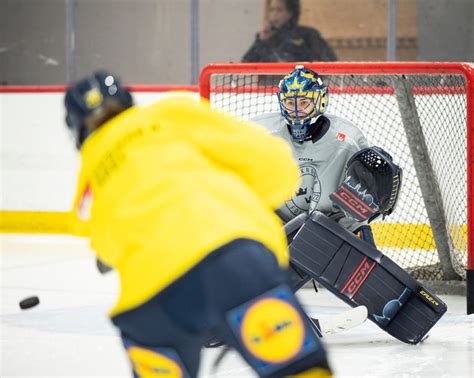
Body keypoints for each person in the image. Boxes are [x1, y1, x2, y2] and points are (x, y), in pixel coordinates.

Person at [64, 70, 333, 377]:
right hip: (233, 262)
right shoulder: (170, 112)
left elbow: (99, 241)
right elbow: (275, 167)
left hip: (149, 300)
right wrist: (241, 205)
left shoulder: (88, 174)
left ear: (76, 131)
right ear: (126, 101)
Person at [251, 65, 381, 290]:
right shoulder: (260, 132)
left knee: (358, 233)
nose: (297, 111)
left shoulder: (348, 139)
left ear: (320, 101)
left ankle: (372, 286)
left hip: (329, 229)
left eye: (304, 102)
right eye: (291, 103)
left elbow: (364, 195)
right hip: (280, 228)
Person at [242, 0, 337, 63]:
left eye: (279, 10)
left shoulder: (307, 34)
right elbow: (246, 63)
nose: (274, 15)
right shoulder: (264, 37)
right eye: (271, 10)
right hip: (270, 90)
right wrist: (261, 41)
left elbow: (329, 60)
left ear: (290, 13)